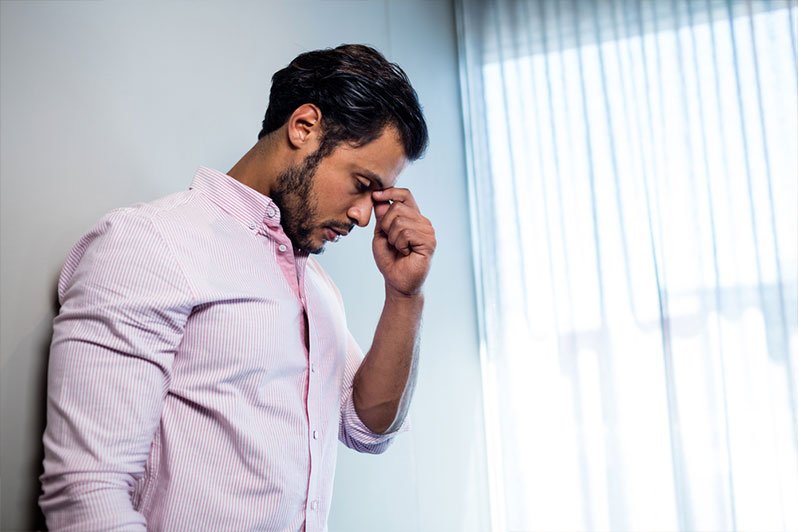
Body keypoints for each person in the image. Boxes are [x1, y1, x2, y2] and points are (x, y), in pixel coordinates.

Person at [39, 44, 435, 531]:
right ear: (304, 127)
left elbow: (367, 426)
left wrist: (404, 296)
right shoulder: (150, 243)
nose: (362, 215)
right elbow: (86, 494)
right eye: (360, 184)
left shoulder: (316, 287)